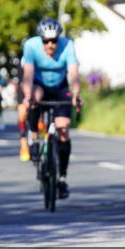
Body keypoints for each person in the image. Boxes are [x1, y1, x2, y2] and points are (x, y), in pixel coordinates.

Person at [20, 18, 80, 199]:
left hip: (60, 87)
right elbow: (28, 75)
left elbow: (73, 73)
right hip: (39, 85)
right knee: (34, 99)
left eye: (54, 41)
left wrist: (76, 94)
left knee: (63, 129)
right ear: (41, 40)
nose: (50, 45)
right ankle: (33, 136)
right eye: (46, 41)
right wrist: (28, 95)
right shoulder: (31, 46)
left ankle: (62, 178)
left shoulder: (68, 45)